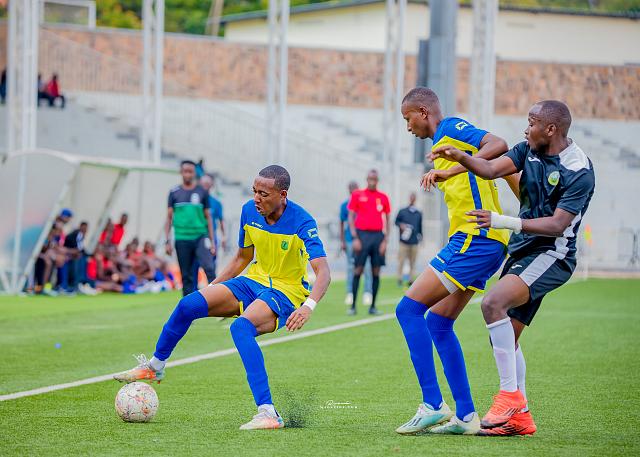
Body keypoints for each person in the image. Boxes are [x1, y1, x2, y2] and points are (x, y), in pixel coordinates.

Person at [114, 165, 331, 430]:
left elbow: (323, 272)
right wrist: (212, 288)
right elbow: (242, 257)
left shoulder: (303, 221)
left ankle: (268, 412)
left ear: (282, 195)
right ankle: (155, 366)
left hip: (286, 291)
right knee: (188, 304)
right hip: (253, 281)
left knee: (241, 328)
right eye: (254, 191)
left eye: (263, 194)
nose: (256, 198)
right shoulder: (249, 211)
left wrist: (308, 306)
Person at [430, 100, 595, 436]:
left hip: (553, 253)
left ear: (551, 129)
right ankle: (521, 417)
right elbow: (490, 169)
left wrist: (501, 221)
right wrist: (460, 157)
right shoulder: (527, 149)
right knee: (507, 337)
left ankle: (509, 397)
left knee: (493, 303)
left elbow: (557, 225)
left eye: (532, 123)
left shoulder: (578, 169)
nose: (526, 128)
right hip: (524, 249)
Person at [394, 87, 518, 436]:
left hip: (475, 239)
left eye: (408, 118)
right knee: (438, 322)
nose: (408, 127)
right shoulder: (441, 147)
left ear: (423, 111)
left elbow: (498, 144)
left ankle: (433, 404)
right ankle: (465, 416)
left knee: (407, 310)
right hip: (481, 243)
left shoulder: (450, 128)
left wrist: (450, 170)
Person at [165, 160, 216, 296]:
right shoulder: (174, 192)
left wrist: (212, 241)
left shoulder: (202, 192)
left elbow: (208, 217)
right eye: (185, 171)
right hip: (182, 238)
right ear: (181, 172)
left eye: (190, 171)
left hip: (200, 236)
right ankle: (188, 305)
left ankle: (217, 299)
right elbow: (169, 218)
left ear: (194, 173)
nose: (188, 174)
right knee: (186, 275)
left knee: (209, 267)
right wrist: (167, 241)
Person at [347, 169, 391, 316]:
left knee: (376, 272)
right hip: (362, 235)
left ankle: (373, 306)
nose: (372, 181)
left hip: (378, 237)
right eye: (370, 179)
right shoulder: (357, 195)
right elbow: (350, 217)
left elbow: (388, 219)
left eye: (375, 179)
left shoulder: (383, 197)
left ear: (377, 180)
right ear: (367, 179)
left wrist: (385, 241)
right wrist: (355, 237)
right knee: (358, 270)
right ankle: (353, 306)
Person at [340, 181, 373, 307]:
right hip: (350, 240)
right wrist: (342, 241)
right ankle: (350, 293)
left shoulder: (363, 203)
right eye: (351, 189)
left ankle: (367, 293)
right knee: (350, 267)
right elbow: (342, 223)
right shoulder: (344, 205)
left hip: (364, 239)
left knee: (367, 266)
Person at [199, 174, 226, 278]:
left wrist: (223, 237)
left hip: (211, 237)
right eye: (203, 184)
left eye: (207, 184)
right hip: (197, 236)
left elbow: (221, 221)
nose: (205, 186)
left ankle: (212, 286)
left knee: (211, 266)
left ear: (211, 185)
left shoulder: (216, 203)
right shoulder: (195, 201)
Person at [395, 192, 423, 287]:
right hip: (404, 242)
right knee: (401, 261)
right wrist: (401, 225)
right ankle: (399, 279)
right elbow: (396, 222)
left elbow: (420, 227)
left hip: (414, 241)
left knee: (412, 262)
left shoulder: (418, 213)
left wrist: (421, 238)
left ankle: (411, 279)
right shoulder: (402, 211)